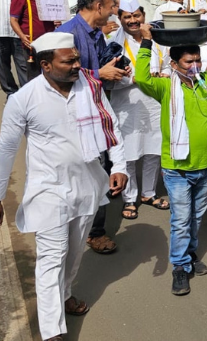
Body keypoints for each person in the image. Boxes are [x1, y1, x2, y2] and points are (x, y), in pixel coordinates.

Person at [0, 32, 129, 341]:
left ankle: (66, 292)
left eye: (77, 59)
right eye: (68, 61)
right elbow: (6, 149)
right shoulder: (24, 99)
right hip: (49, 191)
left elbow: (111, 126)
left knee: (73, 255)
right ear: (45, 65)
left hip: (88, 186)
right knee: (52, 258)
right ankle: (52, 331)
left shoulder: (91, 87)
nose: (77, 65)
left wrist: (120, 166)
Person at [135, 19, 207, 295]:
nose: (195, 66)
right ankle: (180, 267)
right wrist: (147, 43)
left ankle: (190, 255)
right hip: (176, 169)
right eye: (188, 62)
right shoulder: (165, 88)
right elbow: (140, 78)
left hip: (206, 165)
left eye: (197, 60)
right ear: (174, 65)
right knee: (181, 219)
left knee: (195, 218)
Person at [56, 0, 131, 254]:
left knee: (100, 169)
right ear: (98, 5)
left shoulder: (96, 33)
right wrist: (100, 74)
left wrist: (113, 68)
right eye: (112, 6)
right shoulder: (67, 34)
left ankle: (94, 227)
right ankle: (87, 231)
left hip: (96, 107)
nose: (114, 12)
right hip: (73, 115)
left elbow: (98, 66)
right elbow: (60, 76)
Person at [109, 0, 170, 220]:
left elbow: (170, 65)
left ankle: (149, 193)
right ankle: (129, 198)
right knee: (129, 154)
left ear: (144, 16)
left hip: (155, 105)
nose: (133, 21)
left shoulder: (157, 40)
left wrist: (165, 76)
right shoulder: (114, 44)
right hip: (128, 105)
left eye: (137, 16)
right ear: (120, 19)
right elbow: (110, 80)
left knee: (153, 151)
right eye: (128, 17)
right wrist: (136, 79)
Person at [9, 0, 59, 80]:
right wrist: (22, 36)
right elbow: (13, 20)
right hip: (31, 43)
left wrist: (55, 21)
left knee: (50, 73)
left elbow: (50, 16)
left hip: (48, 42)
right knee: (34, 76)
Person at [0, 0, 27, 95]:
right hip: (1, 33)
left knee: (23, 65)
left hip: (18, 35)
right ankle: (11, 93)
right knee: (3, 67)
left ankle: (26, 94)